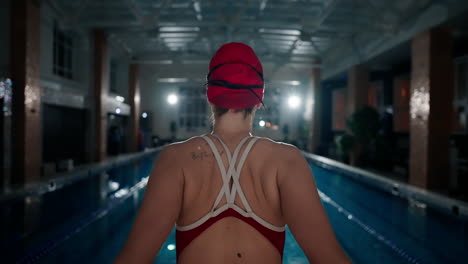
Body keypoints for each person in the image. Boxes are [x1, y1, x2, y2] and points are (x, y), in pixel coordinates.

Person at [115, 43, 351, 264]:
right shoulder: (286, 161)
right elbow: (329, 258)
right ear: (259, 99)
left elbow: (133, 259)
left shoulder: (175, 159)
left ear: (210, 96)